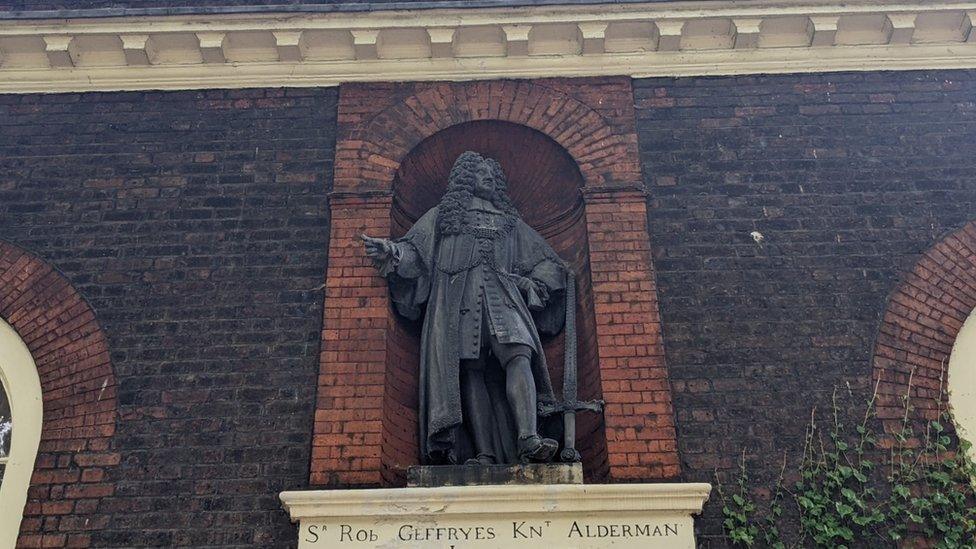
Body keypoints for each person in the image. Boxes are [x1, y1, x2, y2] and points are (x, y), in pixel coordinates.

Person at [362, 151, 568, 466]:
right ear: (465, 178)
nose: (488, 177)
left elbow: (546, 261)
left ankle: (528, 437)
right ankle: (484, 453)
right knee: (470, 371)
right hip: (457, 300)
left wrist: (536, 282)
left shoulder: (511, 222)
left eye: (492, 174)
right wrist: (394, 252)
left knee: (519, 352)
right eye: (481, 172)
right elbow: (416, 251)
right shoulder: (442, 216)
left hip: (503, 294)